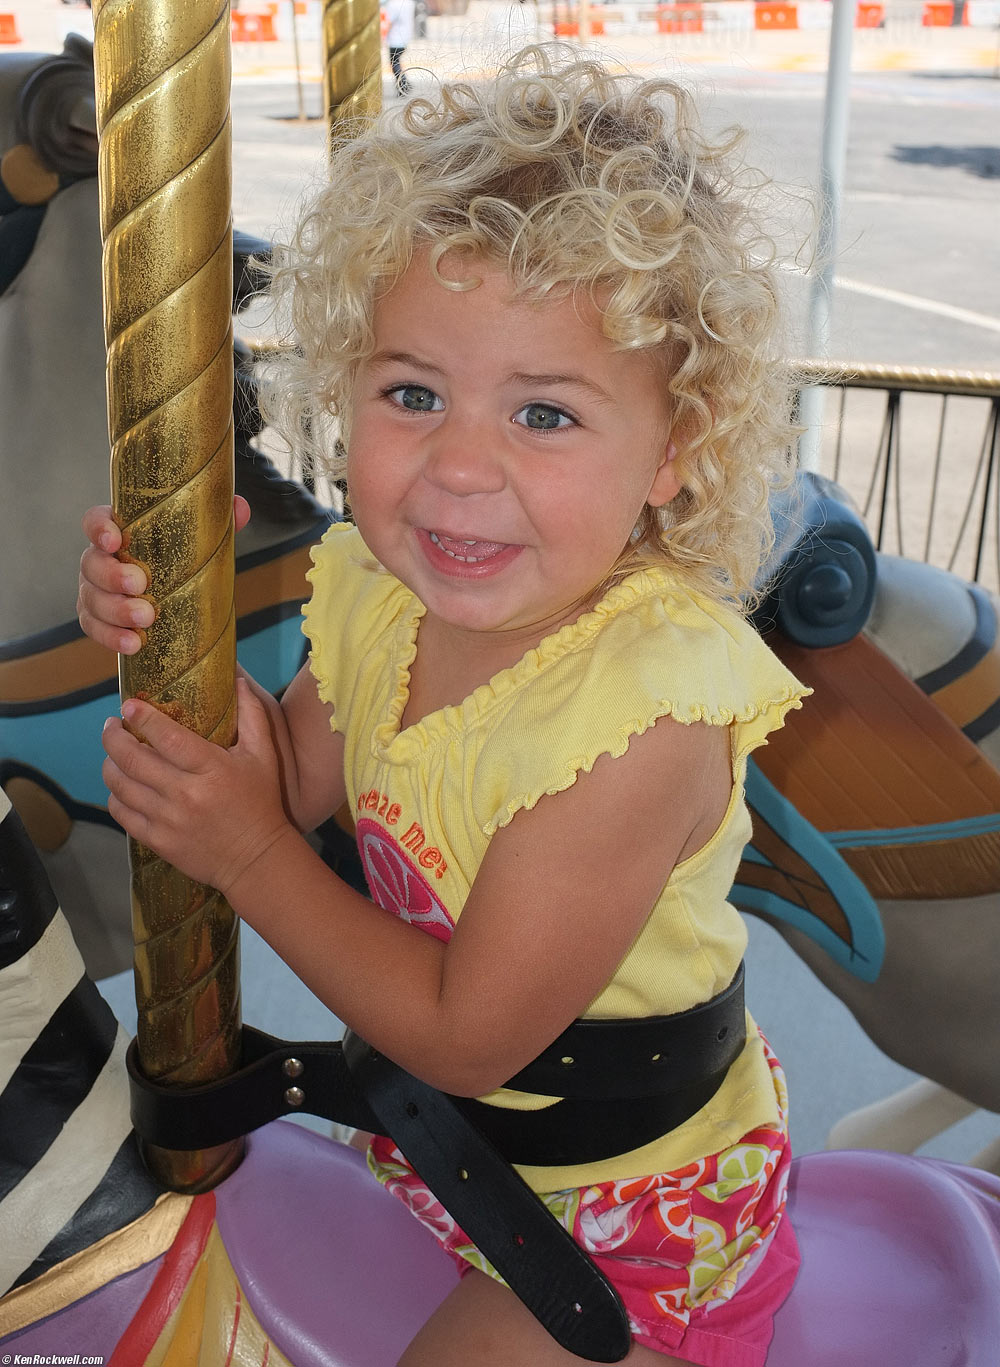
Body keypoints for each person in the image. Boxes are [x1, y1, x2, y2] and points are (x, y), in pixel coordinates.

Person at [78, 48, 808, 1367]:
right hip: (433, 1139)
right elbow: (296, 772)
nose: (461, 464)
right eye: (412, 393)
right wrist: (160, 632)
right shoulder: (378, 591)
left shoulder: (640, 721)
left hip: (617, 1218)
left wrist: (241, 853)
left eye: (544, 411)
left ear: (678, 447)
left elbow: (469, 1034)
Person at [383, 0, 415, 95]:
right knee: (396, 62)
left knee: (394, 63)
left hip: (395, 38)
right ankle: (404, 84)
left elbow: (388, 21)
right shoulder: (408, 2)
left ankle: (403, 85)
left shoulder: (393, 4)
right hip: (405, 36)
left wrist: (383, 36)